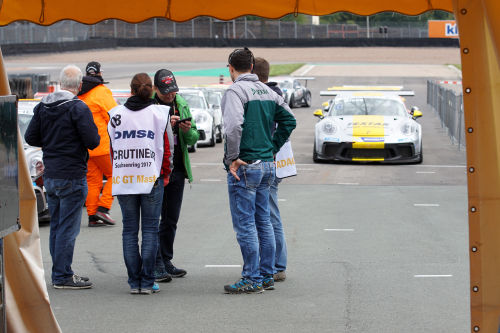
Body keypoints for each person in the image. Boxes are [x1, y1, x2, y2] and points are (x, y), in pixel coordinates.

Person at [221, 48, 296, 294]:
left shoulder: (235, 90)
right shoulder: (267, 90)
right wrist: (272, 148)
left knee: (245, 224)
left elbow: (233, 127)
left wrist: (233, 158)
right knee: (263, 221)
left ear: (231, 68)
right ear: (252, 67)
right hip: (266, 164)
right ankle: (266, 275)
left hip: (246, 165)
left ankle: (251, 277)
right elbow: (289, 120)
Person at [25, 65, 99, 289]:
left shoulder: (43, 106)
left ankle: (61, 272)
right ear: (79, 86)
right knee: (68, 227)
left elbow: (30, 136)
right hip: (72, 172)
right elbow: (93, 141)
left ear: (59, 84)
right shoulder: (78, 108)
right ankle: (62, 275)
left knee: (57, 226)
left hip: (52, 173)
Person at [108, 73, 173, 295]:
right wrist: (166, 173)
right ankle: (146, 281)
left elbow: (112, 149)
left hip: (125, 177)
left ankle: (134, 280)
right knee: (150, 230)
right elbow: (165, 148)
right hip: (150, 178)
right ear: (151, 90)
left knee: (129, 230)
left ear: (131, 90)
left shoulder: (115, 115)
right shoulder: (159, 113)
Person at [152, 69, 199, 282]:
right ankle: (155, 262)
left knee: (171, 219)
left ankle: (166, 259)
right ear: (155, 89)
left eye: (173, 91)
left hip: (177, 169)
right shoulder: (149, 104)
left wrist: (187, 130)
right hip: (154, 170)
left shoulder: (181, 103)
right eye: (165, 92)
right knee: (153, 218)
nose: (170, 95)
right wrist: (165, 125)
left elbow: (193, 138)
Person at [253, 57, 288, 282]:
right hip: (273, 160)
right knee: (268, 213)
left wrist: (271, 148)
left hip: (265, 160)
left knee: (267, 214)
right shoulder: (277, 94)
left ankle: (275, 264)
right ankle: (275, 263)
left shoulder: (264, 97)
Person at [78, 61, 118, 227]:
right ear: (100, 73)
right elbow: (114, 116)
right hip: (102, 145)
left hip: (86, 146)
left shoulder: (80, 93)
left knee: (92, 181)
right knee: (116, 175)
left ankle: (92, 215)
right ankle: (103, 207)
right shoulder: (102, 92)